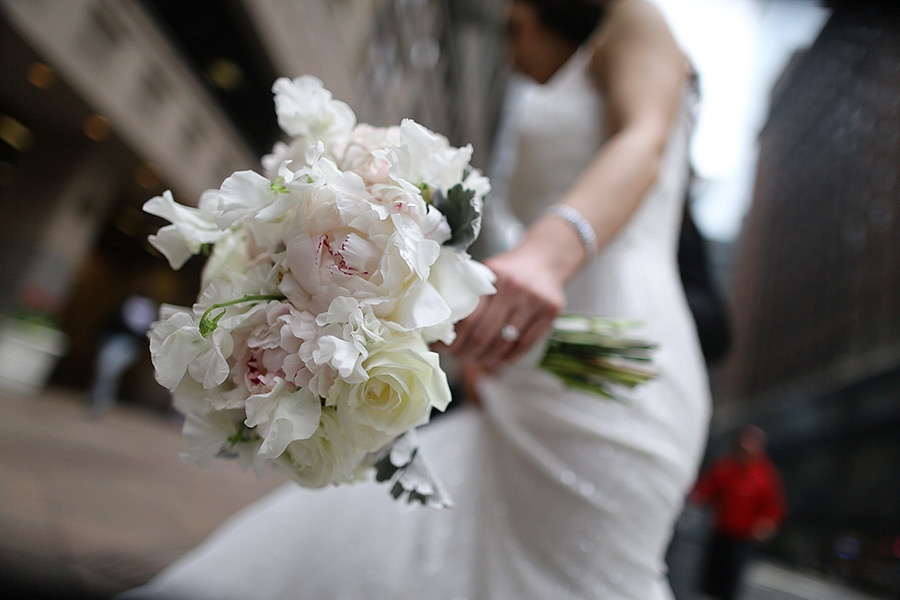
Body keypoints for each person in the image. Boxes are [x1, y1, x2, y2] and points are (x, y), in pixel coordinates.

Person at [122, 1, 710, 598]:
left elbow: (644, 140)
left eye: (513, 30)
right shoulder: (557, 82)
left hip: (627, 371)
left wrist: (545, 256)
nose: (509, 56)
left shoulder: (636, 17)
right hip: (524, 377)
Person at [690, 425, 786, 600]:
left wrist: (766, 524)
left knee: (731, 581)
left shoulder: (765, 476)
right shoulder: (725, 468)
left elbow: (773, 507)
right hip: (720, 532)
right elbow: (705, 489)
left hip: (742, 538)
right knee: (711, 579)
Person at [88, 292, 157, 417]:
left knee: (109, 373)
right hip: (118, 341)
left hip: (126, 343)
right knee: (106, 373)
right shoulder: (134, 304)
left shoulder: (143, 306)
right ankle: (99, 399)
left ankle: (101, 401)